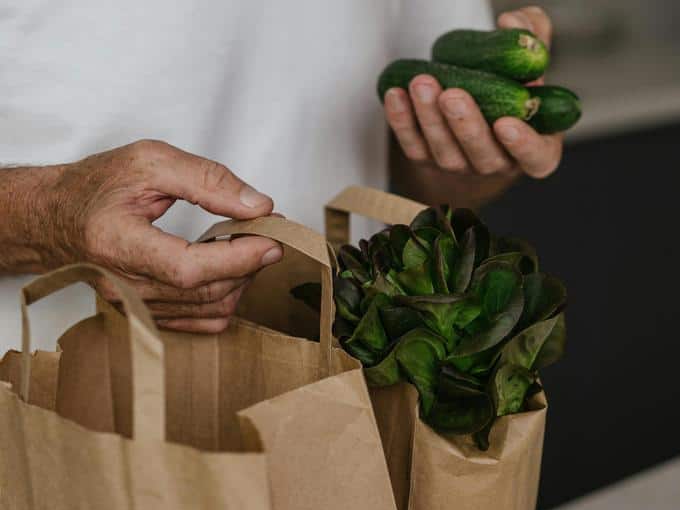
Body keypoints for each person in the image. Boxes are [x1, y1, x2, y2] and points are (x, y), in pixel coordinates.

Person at [0, 0, 562, 350]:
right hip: (45, 401)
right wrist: (48, 216)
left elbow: (425, 182)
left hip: (332, 381)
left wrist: (469, 156)